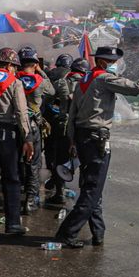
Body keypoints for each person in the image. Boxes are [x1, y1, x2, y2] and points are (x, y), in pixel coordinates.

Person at [55, 47, 139, 248]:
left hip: (83, 137)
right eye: (112, 61)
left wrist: (72, 141)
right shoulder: (103, 78)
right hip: (95, 139)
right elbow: (135, 88)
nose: (114, 65)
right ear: (103, 62)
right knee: (92, 188)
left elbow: (72, 112)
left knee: (93, 186)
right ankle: (68, 232)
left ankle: (98, 232)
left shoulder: (85, 79)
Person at [0, 47, 33, 236]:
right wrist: (27, 138)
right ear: (9, 65)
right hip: (7, 136)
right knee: (12, 179)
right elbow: (21, 112)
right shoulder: (15, 83)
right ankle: (12, 224)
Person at [17, 46, 55, 214]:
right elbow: (53, 91)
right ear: (34, 63)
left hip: (16, 125)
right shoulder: (40, 82)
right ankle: (30, 200)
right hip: (33, 126)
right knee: (34, 163)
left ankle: (15, 196)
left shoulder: (14, 78)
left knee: (16, 161)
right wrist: (41, 71)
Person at [45, 57, 88, 204]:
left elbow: (48, 98)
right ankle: (85, 196)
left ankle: (60, 193)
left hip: (63, 126)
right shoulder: (90, 83)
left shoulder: (61, 82)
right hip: (84, 127)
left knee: (60, 160)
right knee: (84, 161)